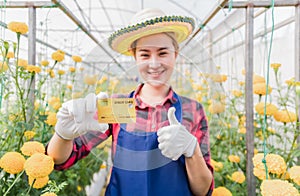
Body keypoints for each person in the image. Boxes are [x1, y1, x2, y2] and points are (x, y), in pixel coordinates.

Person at [47, 8, 214, 196]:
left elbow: (202, 190)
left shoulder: (193, 109)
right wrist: (63, 134)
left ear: (175, 54)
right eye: (144, 54)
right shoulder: (118, 106)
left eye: (162, 53)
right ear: (134, 57)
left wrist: (192, 150)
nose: (154, 63)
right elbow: (60, 159)